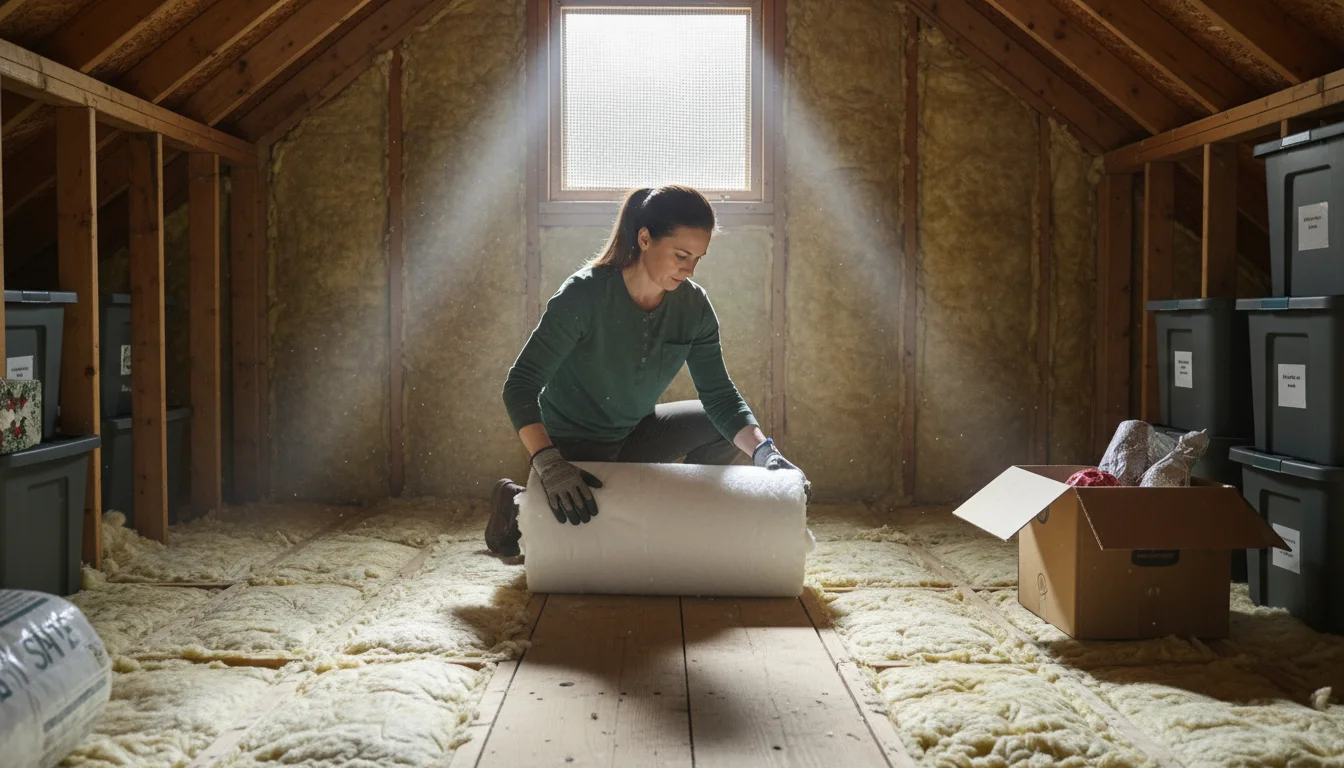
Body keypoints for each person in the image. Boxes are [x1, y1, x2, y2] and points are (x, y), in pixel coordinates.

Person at [486, 184, 809, 556]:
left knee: (718, 426)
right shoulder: (583, 295)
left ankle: (685, 516)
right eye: (681, 255)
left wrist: (764, 453)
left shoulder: (694, 307)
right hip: (571, 448)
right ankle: (516, 502)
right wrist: (548, 462)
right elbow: (520, 385)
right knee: (586, 539)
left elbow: (720, 396)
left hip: (635, 435)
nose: (688, 270)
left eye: (697, 259)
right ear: (644, 238)